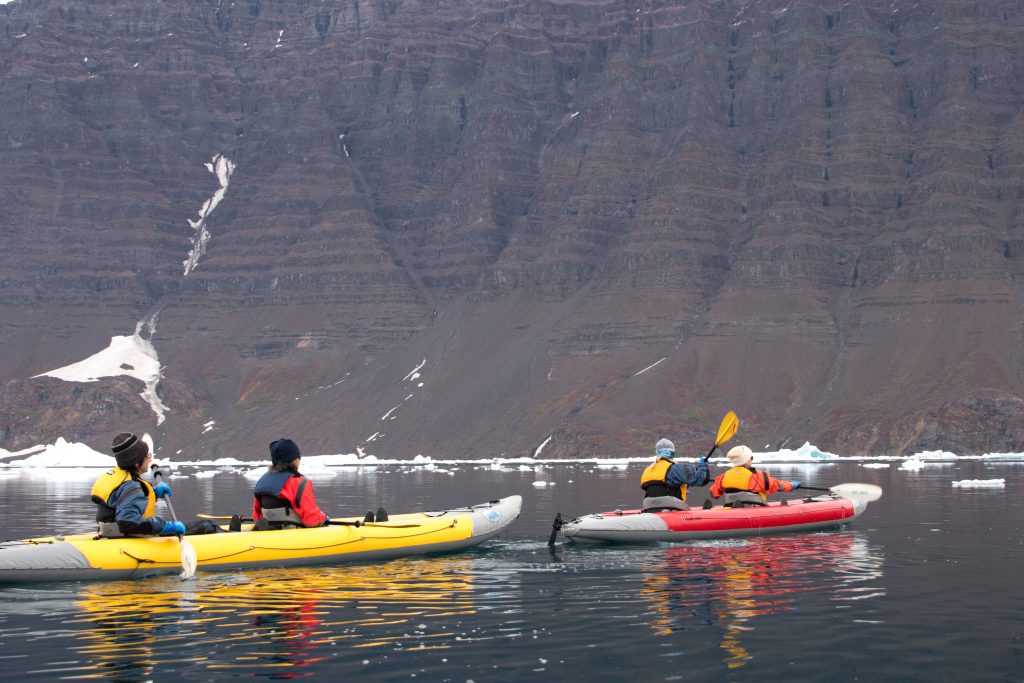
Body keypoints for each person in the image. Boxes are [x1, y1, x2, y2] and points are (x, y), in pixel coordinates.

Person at [91, 432, 218, 537]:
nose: (150, 459)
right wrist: (165, 526)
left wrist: (152, 492)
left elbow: (123, 500)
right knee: (207, 525)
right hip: (129, 537)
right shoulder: (132, 487)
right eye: (147, 456)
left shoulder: (122, 477)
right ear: (136, 463)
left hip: (109, 532)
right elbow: (127, 522)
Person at [252, 438, 330, 529]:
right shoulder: (300, 483)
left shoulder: (263, 481)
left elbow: (257, 517)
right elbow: (312, 521)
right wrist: (324, 517)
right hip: (292, 535)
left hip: (269, 530)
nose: (299, 460)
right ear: (293, 460)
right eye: (298, 457)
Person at [708, 445, 801, 507]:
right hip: (755, 510)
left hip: (733, 509)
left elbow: (713, 494)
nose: (751, 460)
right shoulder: (757, 476)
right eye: (750, 458)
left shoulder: (723, 477)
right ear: (746, 460)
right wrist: (791, 485)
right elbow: (778, 486)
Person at [640, 438, 710, 511]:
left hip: (650, 509)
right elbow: (702, 479)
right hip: (673, 510)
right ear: (672, 453)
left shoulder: (647, 470)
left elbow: (659, 488)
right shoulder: (677, 468)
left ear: (657, 453)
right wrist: (703, 466)